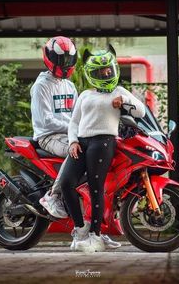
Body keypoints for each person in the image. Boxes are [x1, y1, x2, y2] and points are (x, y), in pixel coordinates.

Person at [59, 44, 146, 252]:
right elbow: (73, 122)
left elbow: (141, 112)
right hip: (81, 142)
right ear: (93, 73)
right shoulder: (85, 95)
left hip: (104, 142)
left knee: (96, 188)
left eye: (109, 69)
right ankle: (81, 228)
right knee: (66, 183)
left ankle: (95, 235)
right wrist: (72, 141)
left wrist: (123, 100)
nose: (107, 73)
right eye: (102, 71)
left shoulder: (119, 91)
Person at [30, 36, 78, 218]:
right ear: (49, 58)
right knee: (75, 152)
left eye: (68, 60)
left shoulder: (70, 86)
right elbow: (45, 121)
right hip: (48, 136)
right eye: (61, 60)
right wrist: (73, 127)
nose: (65, 65)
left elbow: (78, 115)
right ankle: (52, 195)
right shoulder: (41, 86)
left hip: (68, 134)